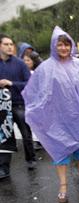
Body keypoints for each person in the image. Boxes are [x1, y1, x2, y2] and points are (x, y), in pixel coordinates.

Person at [22, 26, 79, 203]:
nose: (64, 48)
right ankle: (63, 186)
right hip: (56, 119)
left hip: (76, 117)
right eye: (60, 45)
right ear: (55, 45)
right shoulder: (45, 68)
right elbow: (35, 91)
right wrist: (35, 110)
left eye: (67, 45)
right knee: (59, 152)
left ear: (71, 46)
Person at [0, 33, 36, 178]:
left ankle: (31, 159)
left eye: (11, 44)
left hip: (19, 105)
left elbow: (30, 84)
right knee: (4, 137)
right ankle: (4, 168)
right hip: (2, 107)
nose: (10, 47)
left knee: (26, 133)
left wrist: (11, 83)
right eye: (6, 44)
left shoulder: (20, 64)